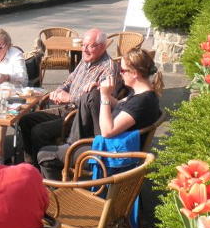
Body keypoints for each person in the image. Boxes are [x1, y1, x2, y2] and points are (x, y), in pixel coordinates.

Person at [37, 47, 163, 179]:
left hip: (111, 153)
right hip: (112, 143)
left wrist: (104, 96)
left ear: (135, 73)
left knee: (45, 155)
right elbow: (121, 105)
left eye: (122, 70)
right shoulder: (140, 93)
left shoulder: (142, 101)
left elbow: (107, 132)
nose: (119, 74)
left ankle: (59, 193)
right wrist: (101, 91)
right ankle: (72, 144)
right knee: (91, 96)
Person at [17, 28, 120, 163]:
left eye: (90, 46)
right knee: (25, 120)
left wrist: (70, 98)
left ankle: (46, 171)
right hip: (67, 109)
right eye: (83, 45)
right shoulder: (86, 60)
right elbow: (69, 81)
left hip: (79, 118)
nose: (84, 49)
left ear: (102, 47)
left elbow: (96, 102)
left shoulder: (108, 68)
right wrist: (58, 92)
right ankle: (30, 167)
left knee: (39, 131)